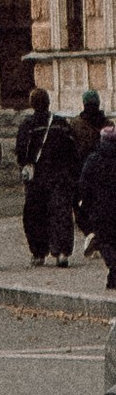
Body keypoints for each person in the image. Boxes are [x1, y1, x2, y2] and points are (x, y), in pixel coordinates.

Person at [27, 110, 83, 268]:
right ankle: (62, 252)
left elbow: (21, 149)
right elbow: (72, 149)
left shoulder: (29, 124)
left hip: (38, 177)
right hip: (61, 176)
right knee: (61, 213)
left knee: (37, 215)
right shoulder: (61, 124)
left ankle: (39, 254)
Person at [79, 117, 116, 292]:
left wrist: (84, 205)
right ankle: (113, 277)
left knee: (104, 241)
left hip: (100, 208)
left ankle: (114, 269)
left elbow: (84, 185)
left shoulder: (93, 159)